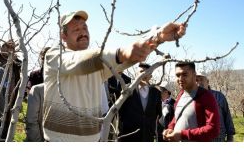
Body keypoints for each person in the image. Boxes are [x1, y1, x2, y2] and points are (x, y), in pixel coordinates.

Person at [43, 10, 186, 142]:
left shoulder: (98, 64)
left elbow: (128, 56)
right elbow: (77, 61)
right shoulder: (54, 56)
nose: (83, 32)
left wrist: (157, 37)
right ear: (63, 36)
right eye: (76, 29)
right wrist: (122, 53)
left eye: (85, 28)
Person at [163, 62, 220, 142]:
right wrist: (170, 128)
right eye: (178, 75)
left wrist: (182, 135)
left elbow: (213, 129)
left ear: (194, 75)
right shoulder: (181, 94)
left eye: (185, 74)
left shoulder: (206, 96)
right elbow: (177, 117)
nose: (180, 79)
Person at [118, 62, 162, 141]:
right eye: (141, 72)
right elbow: (119, 112)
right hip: (129, 135)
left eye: (147, 72)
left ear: (151, 76)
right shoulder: (127, 89)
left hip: (148, 136)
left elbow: (158, 114)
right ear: (136, 74)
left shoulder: (156, 93)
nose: (144, 74)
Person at [196, 74, 235, 142]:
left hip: (218, 138)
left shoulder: (219, 96)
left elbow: (227, 117)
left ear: (207, 81)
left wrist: (230, 137)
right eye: (196, 80)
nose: (198, 82)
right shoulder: (191, 98)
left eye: (201, 79)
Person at [0, 39, 22, 139]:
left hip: (11, 97)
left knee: (7, 122)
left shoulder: (16, 63)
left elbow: (18, 79)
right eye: (7, 47)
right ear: (2, 48)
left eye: (12, 48)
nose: (9, 50)